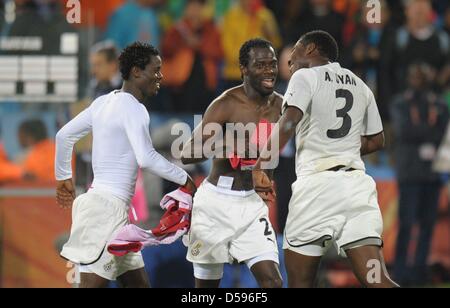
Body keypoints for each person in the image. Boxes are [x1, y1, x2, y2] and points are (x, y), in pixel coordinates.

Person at [253, 30, 399, 288]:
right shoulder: (361, 85)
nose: (290, 62)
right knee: (377, 280)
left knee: (299, 283)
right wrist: (342, 146)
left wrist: (262, 166)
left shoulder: (305, 76)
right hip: (356, 187)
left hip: (317, 188)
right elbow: (377, 140)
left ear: (310, 50)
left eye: (295, 51)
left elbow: (287, 125)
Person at [55, 42, 196, 288]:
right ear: (136, 72)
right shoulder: (135, 108)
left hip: (111, 212)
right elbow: (146, 157)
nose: (161, 76)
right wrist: (184, 178)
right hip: (105, 214)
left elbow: (63, 136)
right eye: (156, 70)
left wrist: (64, 177)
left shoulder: (102, 103)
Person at [181, 38, 283, 288]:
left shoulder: (281, 105)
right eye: (260, 65)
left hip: (251, 203)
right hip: (215, 203)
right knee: (206, 290)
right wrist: (228, 146)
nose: (269, 70)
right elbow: (187, 152)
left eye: (272, 64)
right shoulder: (226, 104)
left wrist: (264, 175)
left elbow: (269, 149)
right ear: (244, 69)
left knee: (272, 282)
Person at [390, 63, 449, 286]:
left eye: (422, 75)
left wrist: (422, 132)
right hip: (410, 173)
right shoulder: (400, 102)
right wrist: (429, 132)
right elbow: (404, 130)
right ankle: (401, 271)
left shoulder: (439, 103)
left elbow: (442, 133)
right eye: (415, 74)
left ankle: (419, 271)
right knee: (406, 223)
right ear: (408, 78)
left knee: (427, 225)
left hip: (432, 173)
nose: (419, 79)